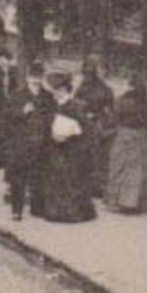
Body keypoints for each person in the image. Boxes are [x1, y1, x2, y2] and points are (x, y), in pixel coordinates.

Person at [36, 71, 97, 223]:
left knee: (67, 180)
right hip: (55, 147)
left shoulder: (75, 107)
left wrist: (71, 137)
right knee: (54, 179)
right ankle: (53, 210)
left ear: (62, 90)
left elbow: (87, 131)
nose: (52, 94)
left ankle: (66, 213)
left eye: (54, 91)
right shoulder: (55, 105)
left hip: (71, 150)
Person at [5, 66, 54, 221]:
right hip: (22, 143)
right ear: (27, 77)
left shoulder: (47, 96)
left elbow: (52, 115)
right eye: (33, 76)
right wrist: (22, 112)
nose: (36, 80)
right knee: (18, 178)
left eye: (38, 77)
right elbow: (7, 116)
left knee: (38, 177)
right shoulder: (18, 95)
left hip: (41, 142)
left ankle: (37, 208)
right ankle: (16, 210)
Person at [105, 75, 147, 214]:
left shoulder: (121, 101)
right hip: (141, 136)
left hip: (124, 134)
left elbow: (113, 119)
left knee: (118, 167)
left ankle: (114, 202)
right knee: (138, 170)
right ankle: (135, 204)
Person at [75, 57, 116, 199]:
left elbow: (78, 105)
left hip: (91, 124)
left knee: (92, 155)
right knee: (96, 156)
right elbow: (110, 110)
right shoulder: (105, 89)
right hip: (95, 123)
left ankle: (91, 185)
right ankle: (95, 185)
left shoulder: (85, 87)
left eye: (88, 73)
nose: (86, 76)